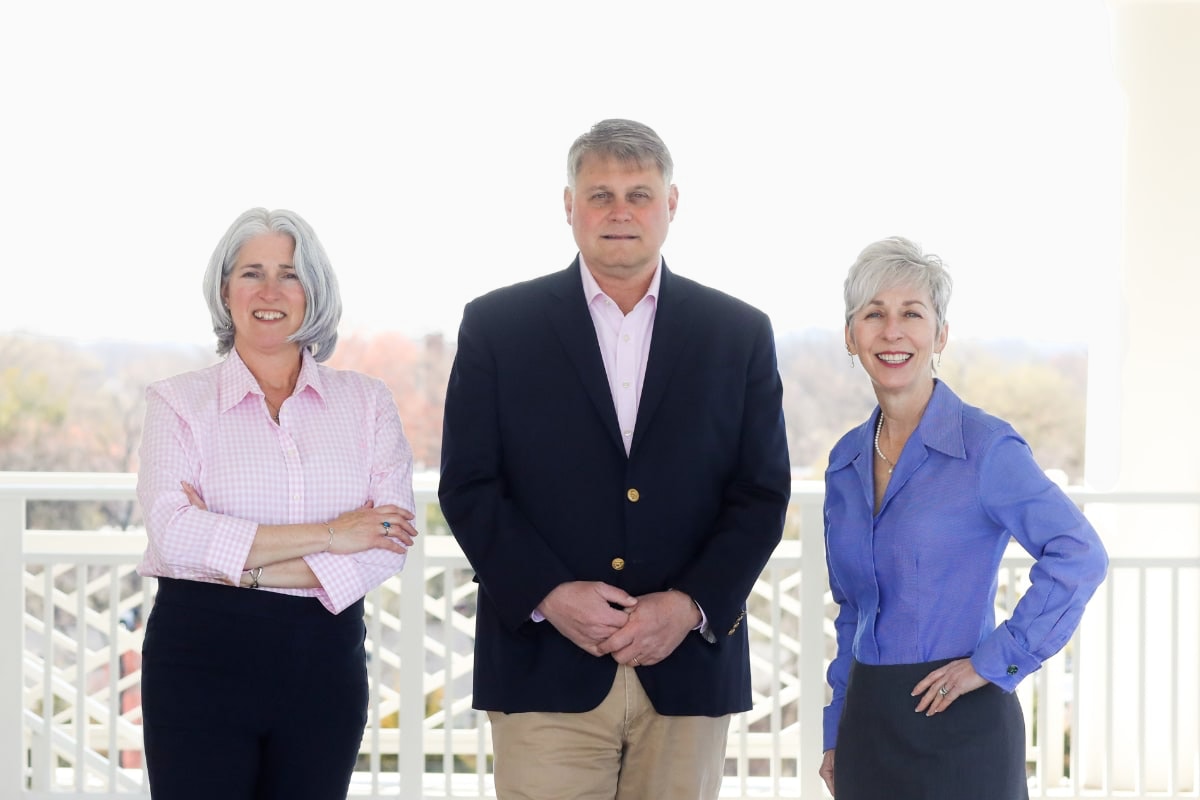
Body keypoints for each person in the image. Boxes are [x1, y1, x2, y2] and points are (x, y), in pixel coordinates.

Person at [438, 119, 792, 799]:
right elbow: (471, 485)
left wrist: (688, 606)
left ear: (672, 204)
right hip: (542, 667)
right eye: (600, 194)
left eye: (639, 193)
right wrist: (549, 593)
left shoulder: (739, 334)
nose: (620, 211)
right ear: (568, 205)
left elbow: (761, 494)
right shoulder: (497, 326)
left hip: (686, 670)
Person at [135, 207, 419, 799]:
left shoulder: (366, 403)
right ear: (224, 290)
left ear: (313, 291)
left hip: (323, 662)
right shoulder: (178, 403)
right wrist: (335, 532)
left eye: (289, 274)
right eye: (251, 273)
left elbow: (389, 539)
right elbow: (172, 534)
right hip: (199, 657)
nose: (270, 291)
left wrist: (240, 563)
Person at [819, 236, 1109, 799]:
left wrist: (995, 661)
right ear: (851, 338)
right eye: (873, 314)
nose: (892, 331)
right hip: (869, 727)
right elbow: (852, 609)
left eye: (912, 314)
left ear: (940, 335)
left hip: (963, 724)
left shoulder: (987, 448)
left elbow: (1079, 554)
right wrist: (835, 730)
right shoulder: (845, 461)